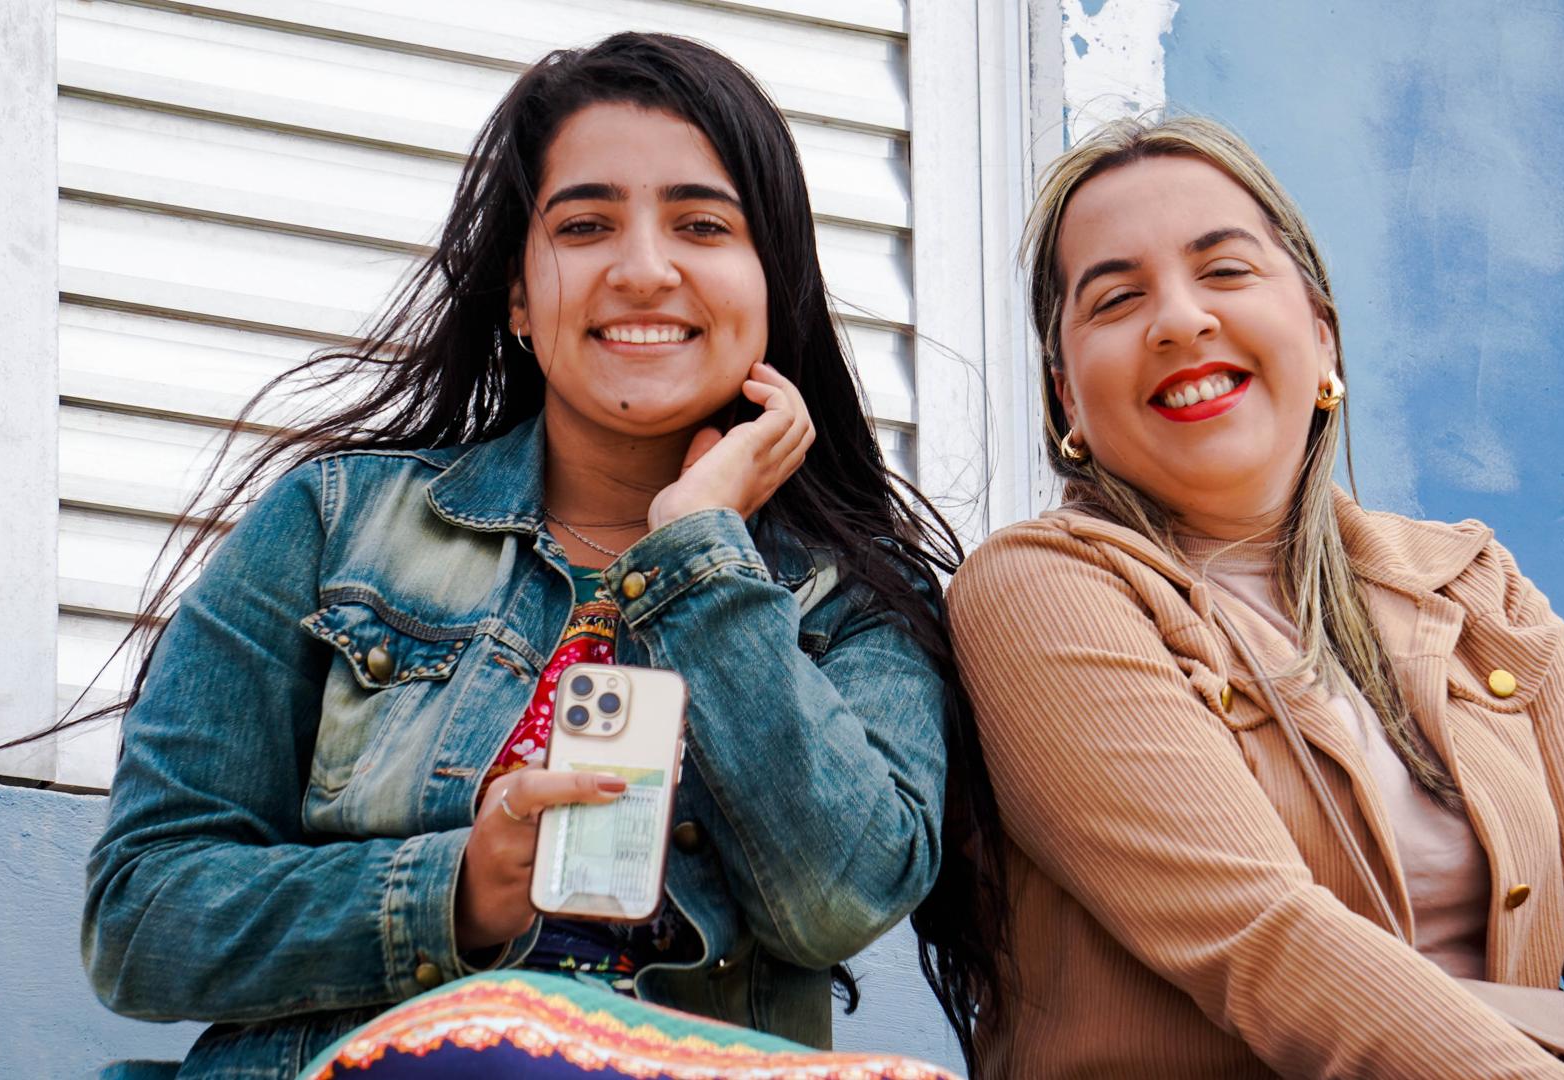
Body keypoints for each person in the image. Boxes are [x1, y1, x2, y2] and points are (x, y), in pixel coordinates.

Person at [83, 33, 981, 1079]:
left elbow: (842, 897)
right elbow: (140, 919)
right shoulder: (332, 526)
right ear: (517, 292)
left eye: (701, 224)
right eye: (585, 225)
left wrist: (698, 552)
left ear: (771, 283)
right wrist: (456, 891)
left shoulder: (858, 603)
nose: (642, 271)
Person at [944, 114, 1564, 1078]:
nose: (1179, 320)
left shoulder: (1469, 585)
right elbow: (1268, 940)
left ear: (1323, 336)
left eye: (1225, 270)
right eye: (1117, 298)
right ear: (1066, 401)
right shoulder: (1037, 591)